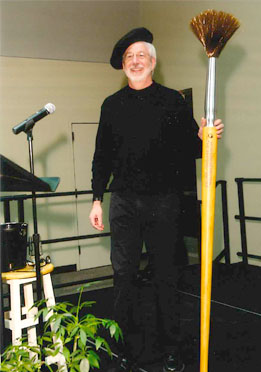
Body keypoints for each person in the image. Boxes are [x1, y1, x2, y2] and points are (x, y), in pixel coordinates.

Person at [89, 27, 224, 372]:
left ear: (153, 62)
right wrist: (96, 199)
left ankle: (171, 350)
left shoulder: (172, 101)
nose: (135, 62)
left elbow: (191, 149)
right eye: (129, 57)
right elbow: (101, 157)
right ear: (123, 65)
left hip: (163, 202)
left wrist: (203, 135)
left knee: (167, 277)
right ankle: (125, 348)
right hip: (123, 203)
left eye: (141, 56)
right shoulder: (111, 105)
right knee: (124, 278)